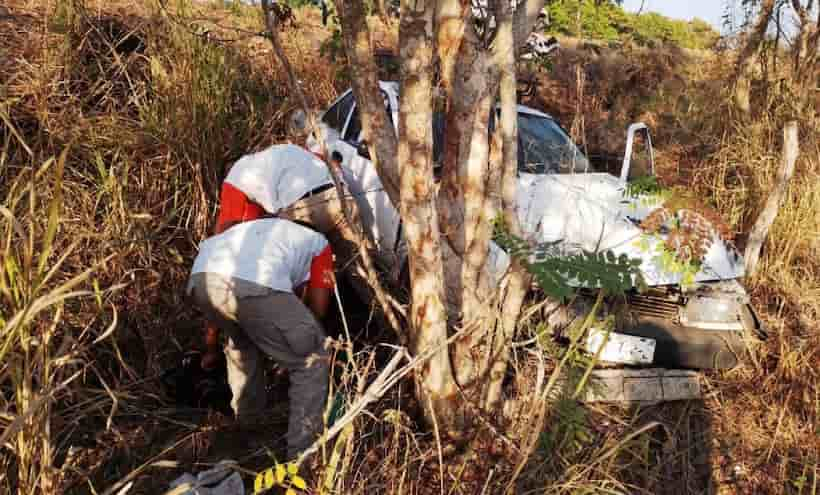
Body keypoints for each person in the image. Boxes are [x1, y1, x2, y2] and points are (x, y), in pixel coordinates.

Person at [202, 142, 360, 370]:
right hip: (342, 198)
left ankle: (299, 352)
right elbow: (331, 162)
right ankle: (379, 331)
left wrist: (211, 346)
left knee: (292, 278)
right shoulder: (284, 155)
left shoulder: (236, 178)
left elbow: (224, 243)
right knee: (360, 271)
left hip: (305, 208)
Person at [187, 218, 334, 459]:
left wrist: (211, 347)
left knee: (242, 343)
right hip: (255, 285)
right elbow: (318, 308)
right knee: (313, 358)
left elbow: (221, 304)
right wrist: (296, 341)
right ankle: (303, 460)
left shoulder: (257, 230)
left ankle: (247, 427)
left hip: (202, 277)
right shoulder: (319, 243)